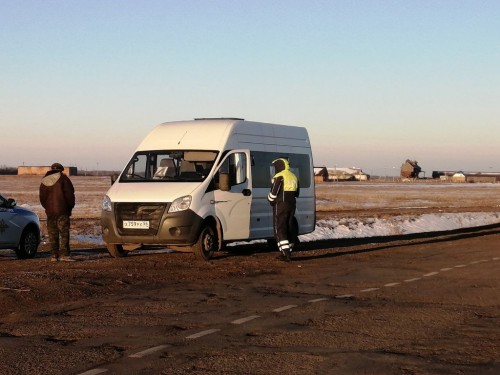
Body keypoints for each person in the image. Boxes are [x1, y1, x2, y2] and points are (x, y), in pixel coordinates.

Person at [39, 163, 76, 262]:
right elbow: (70, 195)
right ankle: (64, 255)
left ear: (51, 169)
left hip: (50, 212)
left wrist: (47, 208)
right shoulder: (64, 179)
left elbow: (42, 198)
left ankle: (54, 255)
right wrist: (69, 207)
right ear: (61, 170)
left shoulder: (44, 180)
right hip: (63, 211)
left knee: (52, 234)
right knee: (64, 233)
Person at [267, 158, 300, 261]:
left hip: (280, 205)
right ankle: (289, 249)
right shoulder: (294, 176)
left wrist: (270, 200)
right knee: (289, 226)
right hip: (292, 205)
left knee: (279, 227)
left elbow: (273, 193)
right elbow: (297, 193)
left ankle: (286, 254)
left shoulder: (279, 176)